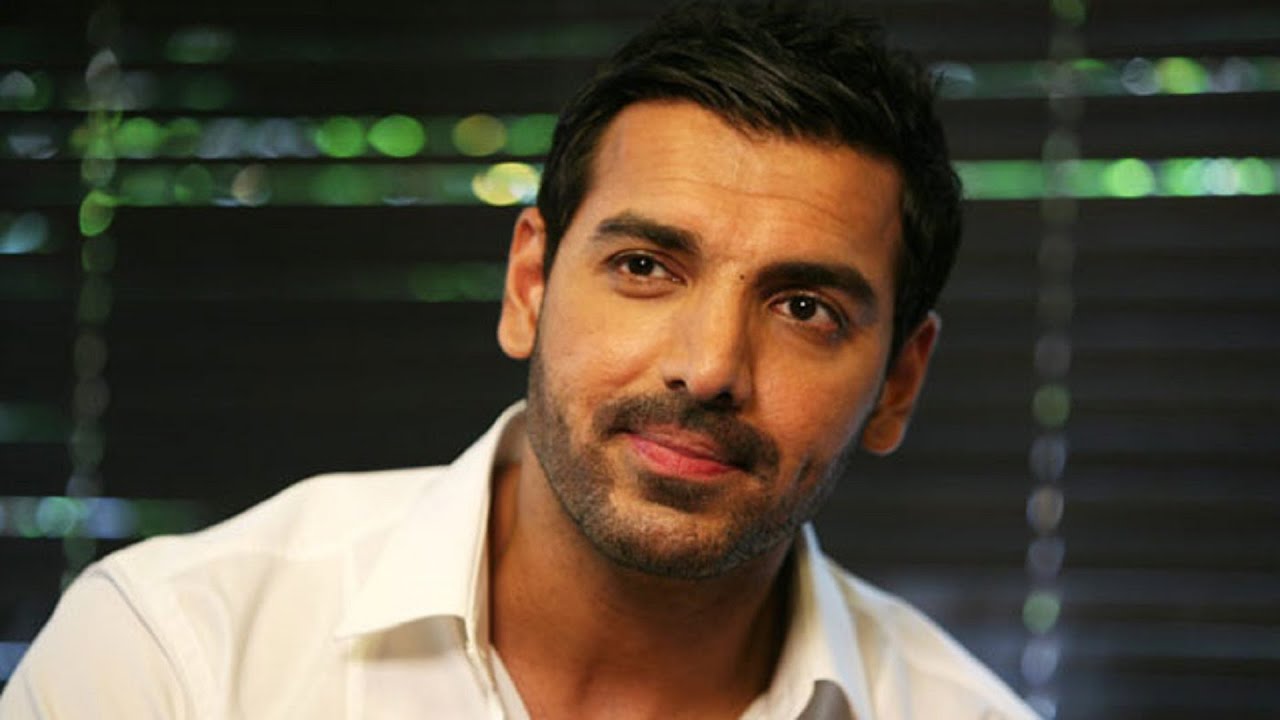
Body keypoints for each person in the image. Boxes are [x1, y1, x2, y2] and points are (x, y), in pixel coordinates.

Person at [1, 2, 1038, 718]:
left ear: (899, 382)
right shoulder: (175, 657)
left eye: (804, 308)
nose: (709, 366)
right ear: (529, 286)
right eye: (644, 266)